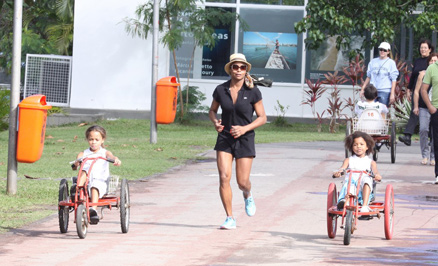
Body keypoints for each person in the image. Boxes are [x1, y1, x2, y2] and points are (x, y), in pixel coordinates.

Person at [209, 53, 267, 229]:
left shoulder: (253, 91)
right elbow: (212, 111)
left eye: (242, 67)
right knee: (224, 177)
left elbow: (262, 117)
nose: (239, 70)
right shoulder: (221, 90)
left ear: (246, 69)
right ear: (230, 69)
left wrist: (245, 128)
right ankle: (230, 218)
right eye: (236, 67)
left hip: (245, 138)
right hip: (225, 137)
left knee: (242, 182)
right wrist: (215, 122)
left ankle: (247, 194)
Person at [73, 125, 122, 223]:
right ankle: (77, 189)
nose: (93, 142)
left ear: (102, 140)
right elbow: (75, 165)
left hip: (100, 182)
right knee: (84, 171)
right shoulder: (84, 153)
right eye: (91, 139)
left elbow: (111, 156)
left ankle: (93, 210)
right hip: (85, 182)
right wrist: (76, 163)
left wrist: (115, 160)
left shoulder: (104, 153)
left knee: (94, 185)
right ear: (87, 140)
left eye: (96, 139)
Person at [333, 131, 382, 213]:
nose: (358, 147)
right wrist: (338, 172)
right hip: (351, 181)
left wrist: (377, 176)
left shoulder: (371, 162)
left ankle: (365, 206)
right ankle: (346, 201)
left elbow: (376, 172)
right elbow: (342, 168)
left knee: (366, 180)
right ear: (352, 147)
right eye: (355, 145)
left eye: (361, 144)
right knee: (349, 184)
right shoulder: (348, 160)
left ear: (367, 147)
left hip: (363, 184)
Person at [399, 39, 435, 146]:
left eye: (425, 48)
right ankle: (407, 136)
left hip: (429, 91)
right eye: (421, 48)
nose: (422, 49)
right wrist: (408, 90)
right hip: (416, 90)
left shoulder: (433, 61)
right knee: (414, 112)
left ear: (430, 49)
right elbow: (413, 76)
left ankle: (432, 138)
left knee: (431, 114)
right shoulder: (418, 61)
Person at [413, 53, 438, 165]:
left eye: (435, 61)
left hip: (435, 106)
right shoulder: (423, 74)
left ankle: (433, 156)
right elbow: (417, 91)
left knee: (435, 132)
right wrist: (416, 106)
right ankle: (424, 154)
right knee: (423, 129)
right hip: (424, 107)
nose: (433, 63)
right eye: (431, 61)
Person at [360, 42, 399, 107]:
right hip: (372, 91)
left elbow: (394, 79)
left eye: (384, 50)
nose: (382, 51)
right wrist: (363, 89)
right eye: (381, 49)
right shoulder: (373, 62)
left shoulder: (391, 63)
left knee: (382, 112)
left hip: (385, 91)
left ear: (388, 51)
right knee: (371, 110)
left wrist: (392, 93)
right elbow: (368, 76)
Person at [420, 53, 438, 184]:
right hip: (437, 109)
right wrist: (430, 107)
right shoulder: (432, 68)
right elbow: (423, 90)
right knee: (437, 142)